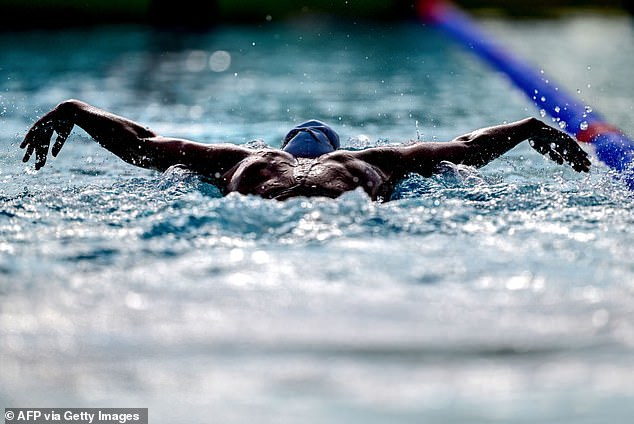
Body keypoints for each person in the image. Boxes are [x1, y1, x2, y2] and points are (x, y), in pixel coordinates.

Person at [21, 99, 591, 201]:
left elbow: (144, 146)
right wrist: (526, 128)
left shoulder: (238, 158)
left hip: (256, 196)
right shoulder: (379, 159)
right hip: (350, 198)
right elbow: (465, 149)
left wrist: (78, 110)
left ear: (284, 143)